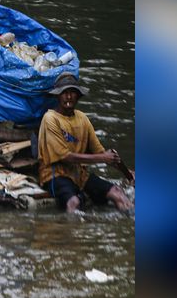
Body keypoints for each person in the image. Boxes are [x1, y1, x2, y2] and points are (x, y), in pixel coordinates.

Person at [36, 73, 133, 213]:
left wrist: (127, 173)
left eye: (72, 93)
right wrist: (102, 158)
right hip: (54, 175)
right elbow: (65, 156)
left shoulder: (82, 118)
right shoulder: (50, 118)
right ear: (58, 96)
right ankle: (70, 232)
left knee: (117, 193)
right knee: (73, 202)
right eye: (64, 93)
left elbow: (100, 153)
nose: (69, 97)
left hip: (79, 175)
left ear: (78, 96)